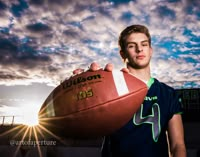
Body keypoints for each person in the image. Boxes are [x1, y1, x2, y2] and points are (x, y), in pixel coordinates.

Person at [76, 24, 186, 157]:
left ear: (151, 50)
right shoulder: (109, 87)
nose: (139, 49)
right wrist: (81, 89)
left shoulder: (168, 93)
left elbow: (177, 145)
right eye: (132, 45)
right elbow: (85, 125)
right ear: (122, 54)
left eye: (144, 44)